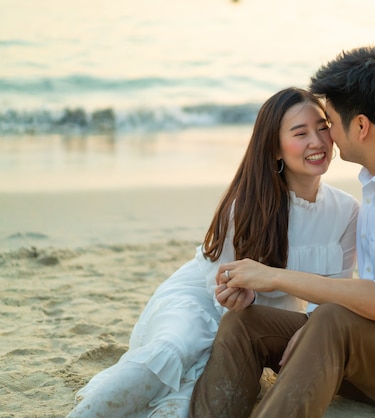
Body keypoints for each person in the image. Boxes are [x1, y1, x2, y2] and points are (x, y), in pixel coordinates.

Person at [190, 46, 375, 418]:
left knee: (334, 319)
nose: (325, 135)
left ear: (361, 126)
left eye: (329, 122)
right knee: (246, 323)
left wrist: (275, 278)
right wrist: (316, 325)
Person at [66, 87, 359, 418]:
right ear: (276, 149)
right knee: (174, 350)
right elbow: (219, 282)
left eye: (322, 127)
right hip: (201, 300)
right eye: (300, 133)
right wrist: (234, 296)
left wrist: (305, 331)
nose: (317, 141)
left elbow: (332, 297)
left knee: (183, 405)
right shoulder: (247, 204)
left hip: (253, 324)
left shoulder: (347, 211)